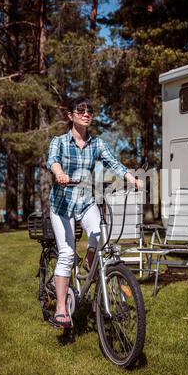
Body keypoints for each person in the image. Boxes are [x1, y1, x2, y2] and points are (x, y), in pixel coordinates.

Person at [46, 96, 141, 328]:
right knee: (67, 254)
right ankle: (61, 308)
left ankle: (90, 264)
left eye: (90, 110)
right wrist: (59, 173)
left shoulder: (97, 144)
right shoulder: (59, 141)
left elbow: (113, 162)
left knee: (101, 237)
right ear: (71, 115)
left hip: (86, 202)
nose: (86, 114)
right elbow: (53, 161)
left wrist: (131, 178)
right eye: (81, 110)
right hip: (61, 205)